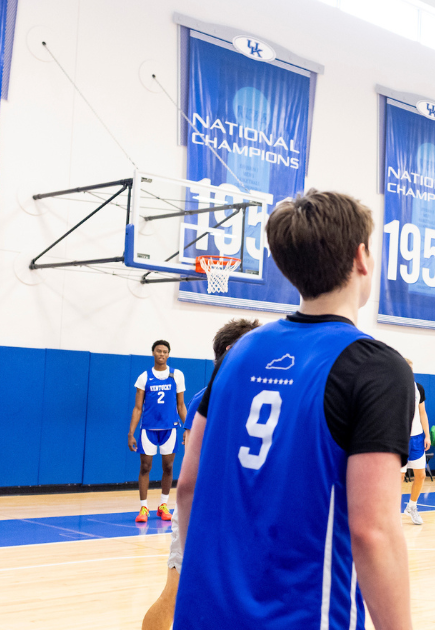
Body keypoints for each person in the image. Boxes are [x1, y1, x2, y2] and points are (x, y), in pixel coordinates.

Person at [173, 189, 416, 629]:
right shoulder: (376, 367)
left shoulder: (237, 353)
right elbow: (372, 531)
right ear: (362, 257)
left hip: (204, 613)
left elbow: (187, 486)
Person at [142, 318, 260, 630]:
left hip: (236, 511)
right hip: (203, 508)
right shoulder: (206, 399)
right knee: (175, 595)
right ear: (231, 350)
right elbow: (194, 470)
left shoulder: (255, 397)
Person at [127, 340, 186, 523]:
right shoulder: (144, 377)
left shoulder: (176, 375)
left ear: (168, 354)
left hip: (170, 428)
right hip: (149, 429)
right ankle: (144, 507)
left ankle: (163, 505)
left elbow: (181, 405)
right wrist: (131, 433)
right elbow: (137, 408)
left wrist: (188, 428)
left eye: (165, 351)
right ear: (153, 353)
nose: (162, 354)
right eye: (159, 351)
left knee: (168, 467)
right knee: (145, 467)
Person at [403, 358, 432, 526]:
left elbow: (422, 413)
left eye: (411, 369)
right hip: (400, 437)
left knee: (421, 475)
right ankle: (391, 514)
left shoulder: (418, 388)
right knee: (398, 477)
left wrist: (427, 435)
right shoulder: (394, 387)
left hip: (417, 437)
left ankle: (412, 506)